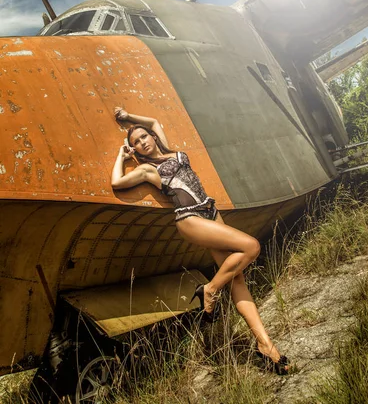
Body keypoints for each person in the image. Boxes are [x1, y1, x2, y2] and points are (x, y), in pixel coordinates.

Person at [111, 108, 290, 375]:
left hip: (209, 211)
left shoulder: (173, 152)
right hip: (190, 218)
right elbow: (116, 182)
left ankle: (265, 345)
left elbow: (154, 120)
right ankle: (210, 289)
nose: (143, 142)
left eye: (144, 136)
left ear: (152, 136)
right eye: (136, 142)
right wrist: (121, 155)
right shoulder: (148, 169)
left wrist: (127, 117)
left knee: (238, 278)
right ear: (134, 149)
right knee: (251, 246)